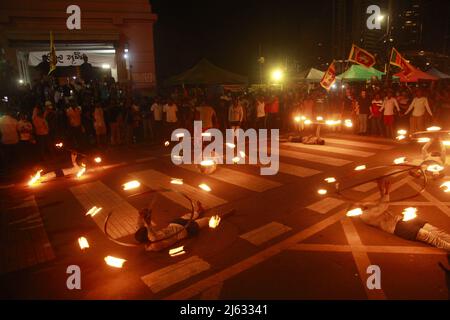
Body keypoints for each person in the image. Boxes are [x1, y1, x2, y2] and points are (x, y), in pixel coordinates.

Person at [351, 178, 450, 251]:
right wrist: (386, 192)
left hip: (402, 219)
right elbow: (383, 206)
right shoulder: (365, 216)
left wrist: (382, 189)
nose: (360, 202)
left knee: (436, 231)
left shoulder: (367, 207)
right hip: (398, 227)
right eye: (357, 204)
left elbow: (381, 203)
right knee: (429, 236)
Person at [134, 201, 210, 251]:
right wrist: (148, 223)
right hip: (185, 230)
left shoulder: (149, 236)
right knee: (206, 220)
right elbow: (153, 237)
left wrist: (141, 215)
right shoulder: (155, 244)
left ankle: (199, 211)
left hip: (175, 224)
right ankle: (217, 217)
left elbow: (140, 226)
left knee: (189, 216)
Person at [0, 110, 19, 175]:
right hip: (14, 140)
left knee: (6, 156)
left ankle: (6, 170)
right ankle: (15, 169)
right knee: (13, 155)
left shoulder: (1, 121)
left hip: (5, 140)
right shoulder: (14, 120)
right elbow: (18, 129)